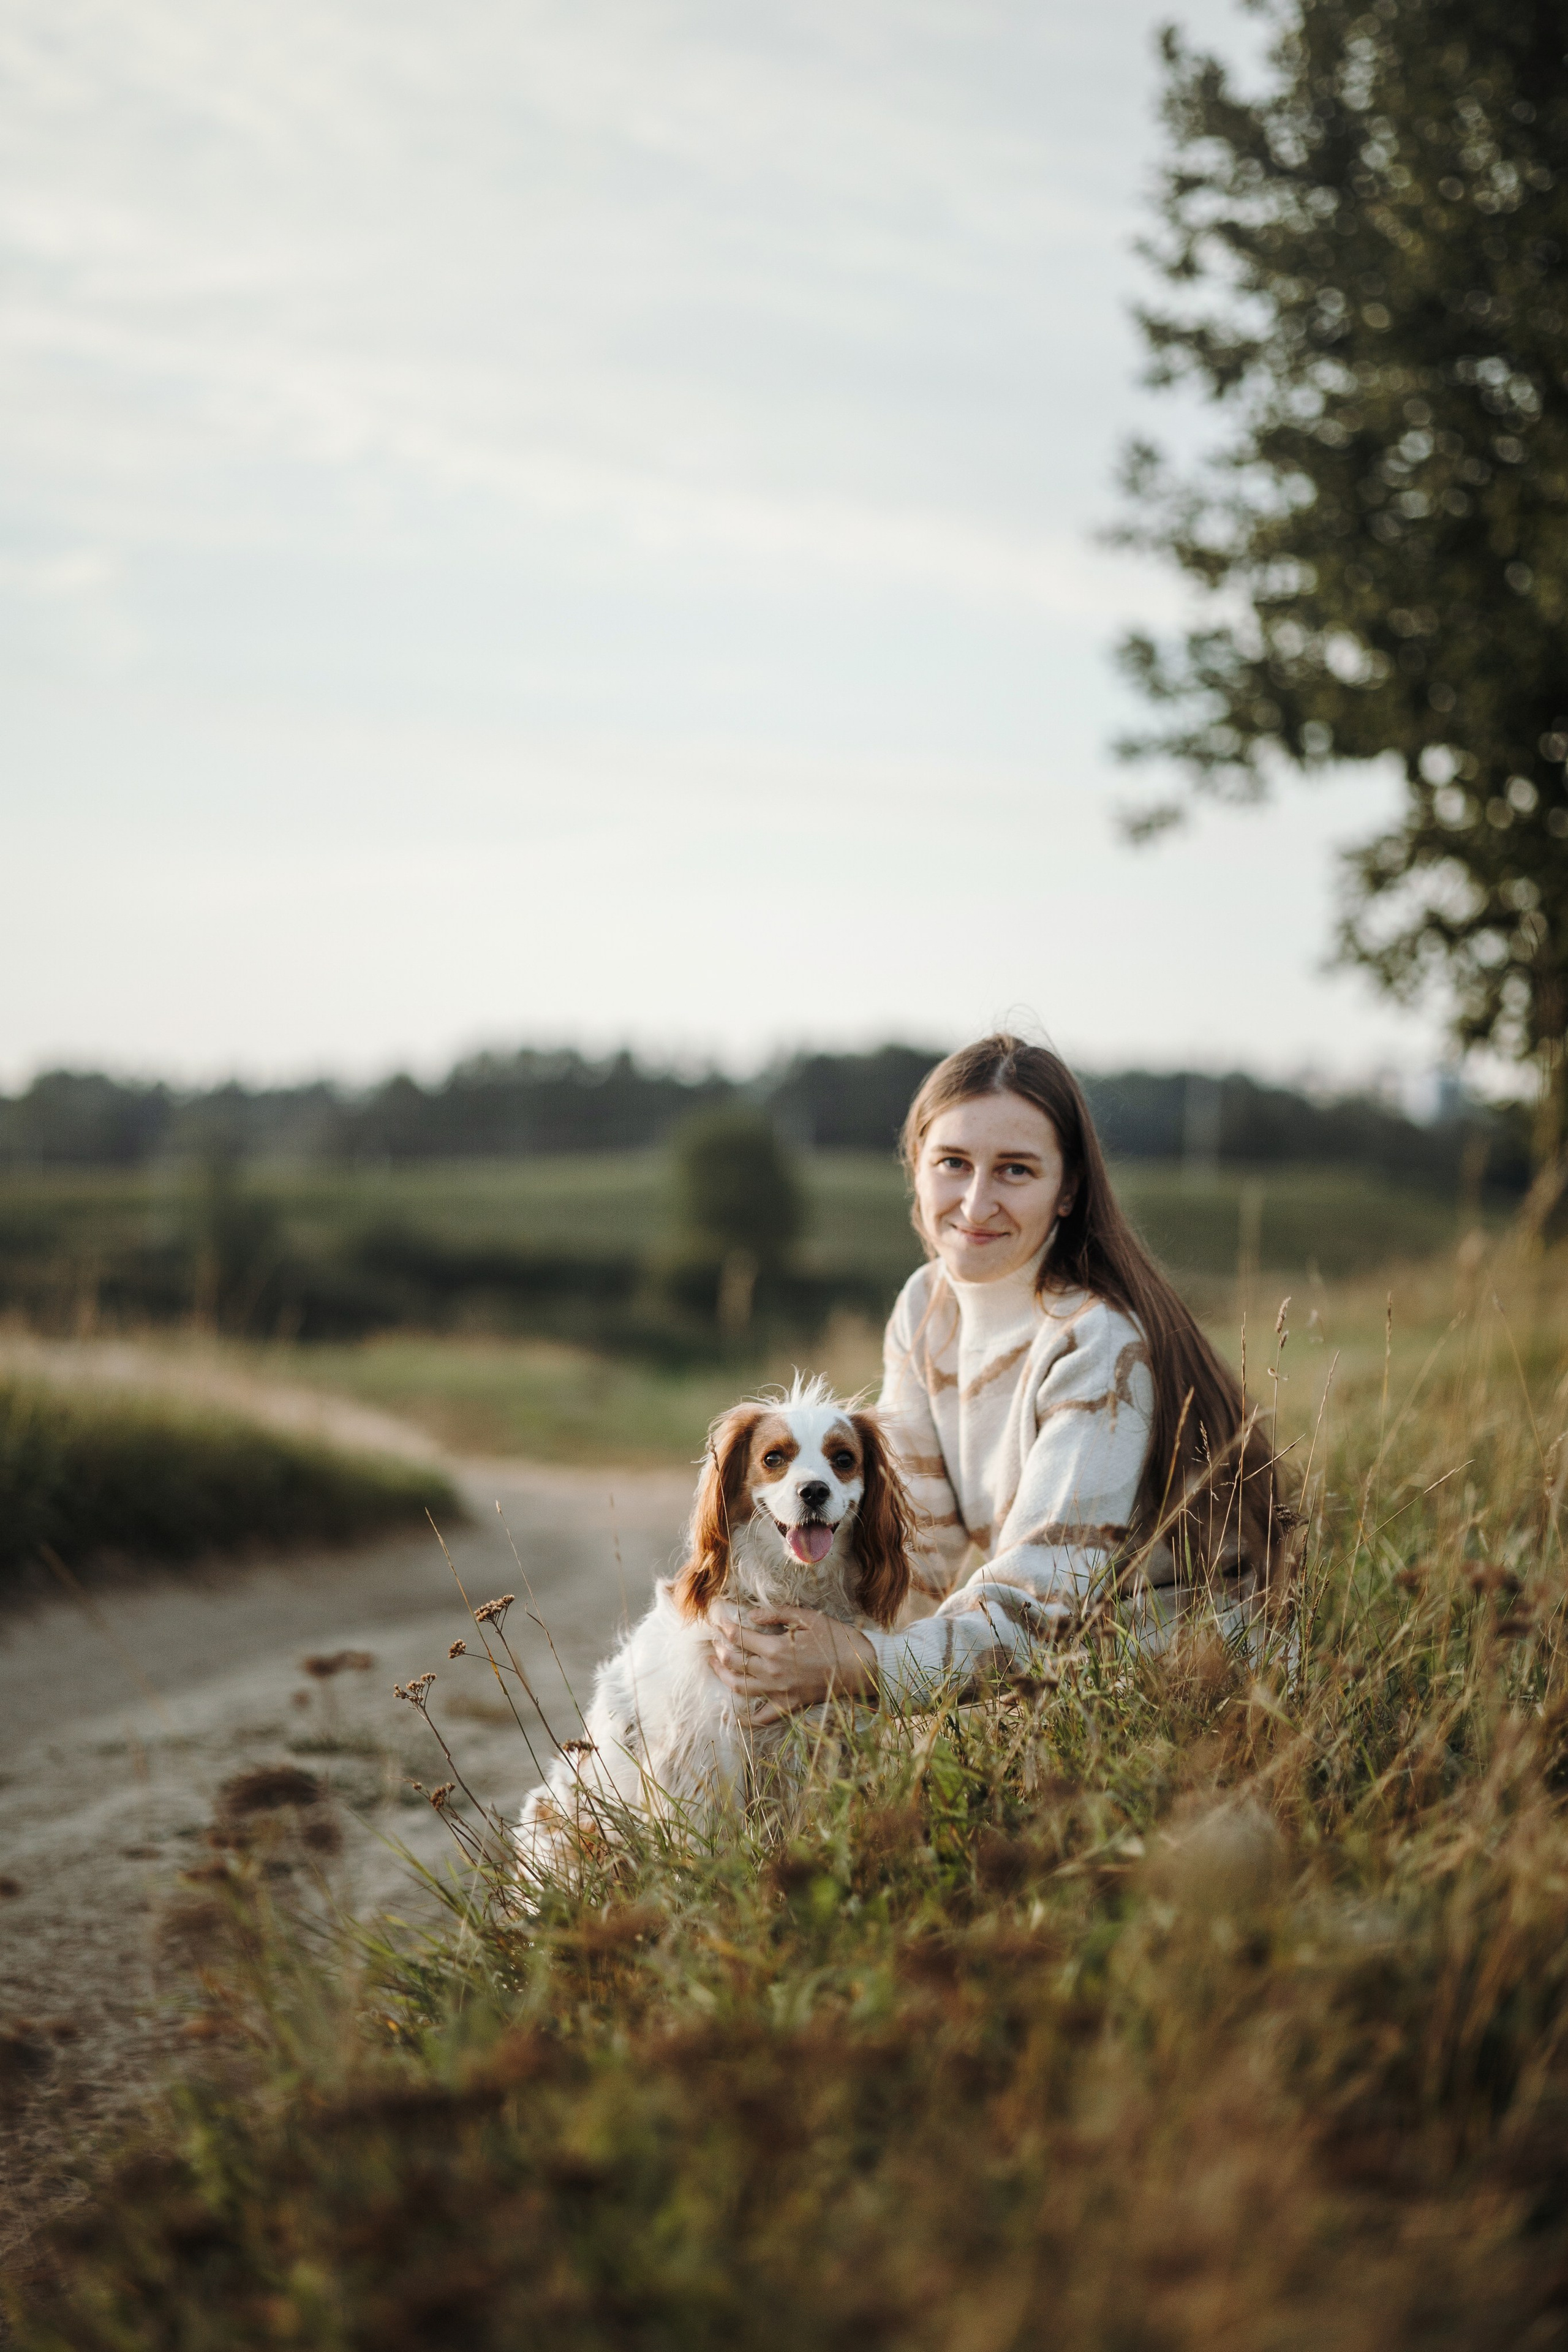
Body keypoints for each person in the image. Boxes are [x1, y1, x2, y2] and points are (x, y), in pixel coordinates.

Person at [710, 1034, 1288, 1722]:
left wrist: (863, 1664)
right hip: (1057, 1664)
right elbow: (915, 1548)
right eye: (953, 1163)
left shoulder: (1098, 1343)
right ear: (916, 1166)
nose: (976, 1202)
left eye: (1015, 1170)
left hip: (1180, 1680)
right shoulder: (926, 1305)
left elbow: (1041, 1599)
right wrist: (771, 1627)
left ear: (1068, 1189)